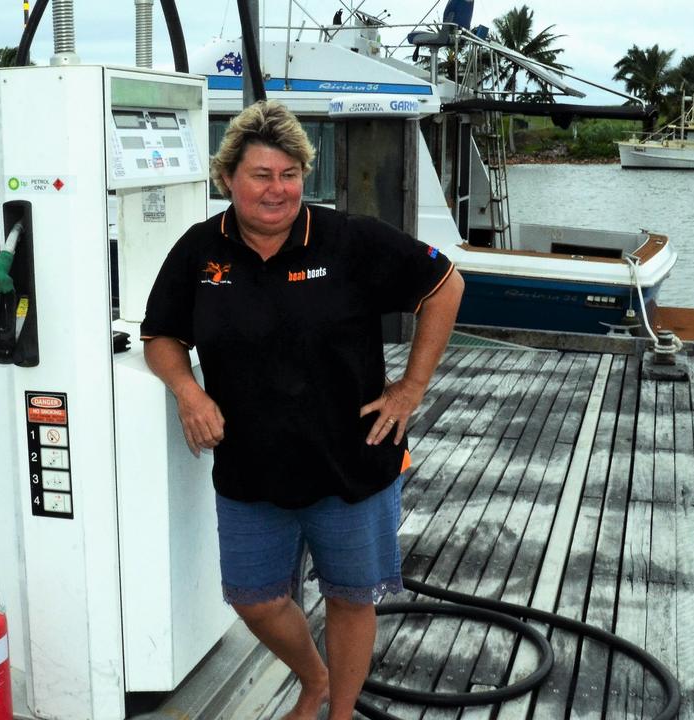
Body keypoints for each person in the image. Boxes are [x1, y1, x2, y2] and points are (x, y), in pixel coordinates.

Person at [140, 100, 463, 720]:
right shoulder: (199, 250)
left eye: (289, 174)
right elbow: (161, 336)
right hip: (251, 467)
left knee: (350, 598)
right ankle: (312, 678)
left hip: (351, 461)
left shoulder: (348, 239)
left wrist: (411, 387)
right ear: (228, 178)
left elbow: (445, 284)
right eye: (261, 174)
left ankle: (337, 712)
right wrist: (188, 391)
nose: (277, 190)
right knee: (254, 599)